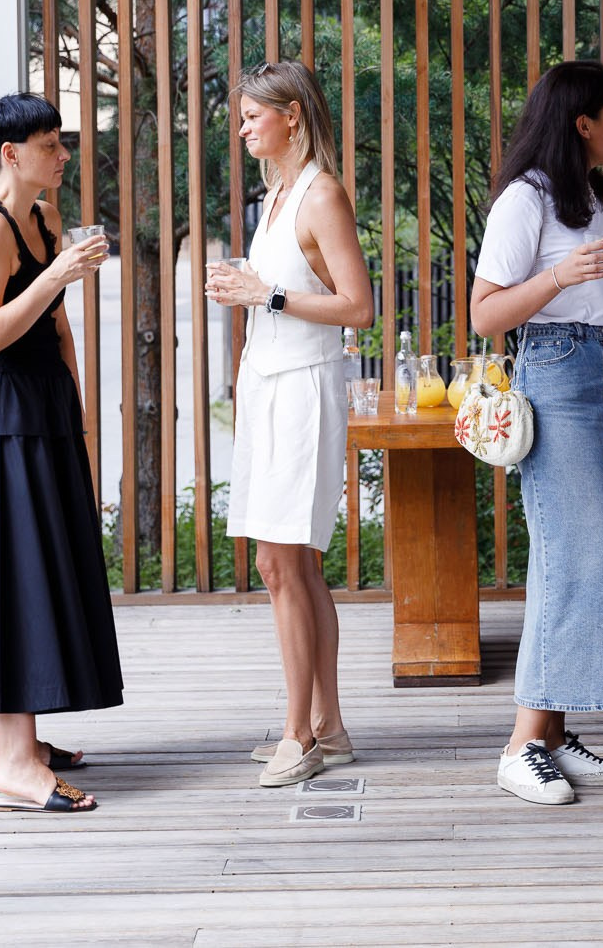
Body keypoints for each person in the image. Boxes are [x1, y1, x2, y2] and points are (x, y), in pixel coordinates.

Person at [0, 92, 123, 814]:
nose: (63, 154)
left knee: (26, 572)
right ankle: (16, 766)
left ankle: (9, 745)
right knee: (12, 579)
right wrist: (56, 274)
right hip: (0, 419)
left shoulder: (43, 218)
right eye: (50, 143)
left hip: (41, 412)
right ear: (11, 154)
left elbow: (57, 329)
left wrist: (78, 419)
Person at [470, 61, 603, 807]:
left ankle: (552, 738)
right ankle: (519, 744)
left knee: (579, 555)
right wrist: (562, 278)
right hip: (558, 371)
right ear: (581, 123)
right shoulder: (524, 200)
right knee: (578, 554)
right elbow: (485, 314)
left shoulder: (594, 194)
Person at [205, 63, 374, 787]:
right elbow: (285, 290)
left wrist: (263, 293)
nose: (242, 129)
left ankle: (299, 733)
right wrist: (255, 287)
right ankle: (329, 727)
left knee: (282, 564)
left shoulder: (322, 194)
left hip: (305, 389)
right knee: (293, 564)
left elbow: (359, 307)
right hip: (267, 386)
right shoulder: (275, 193)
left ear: (293, 118)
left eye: (251, 116)